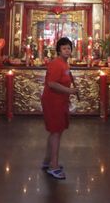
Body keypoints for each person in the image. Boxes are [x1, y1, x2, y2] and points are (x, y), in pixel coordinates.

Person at [41, 37, 78, 180]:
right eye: (64, 48)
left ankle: (48, 161)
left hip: (60, 101)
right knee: (56, 132)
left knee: (56, 132)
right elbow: (51, 83)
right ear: (58, 50)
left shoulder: (64, 64)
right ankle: (53, 166)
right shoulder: (56, 64)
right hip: (53, 101)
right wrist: (70, 91)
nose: (67, 50)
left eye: (69, 48)